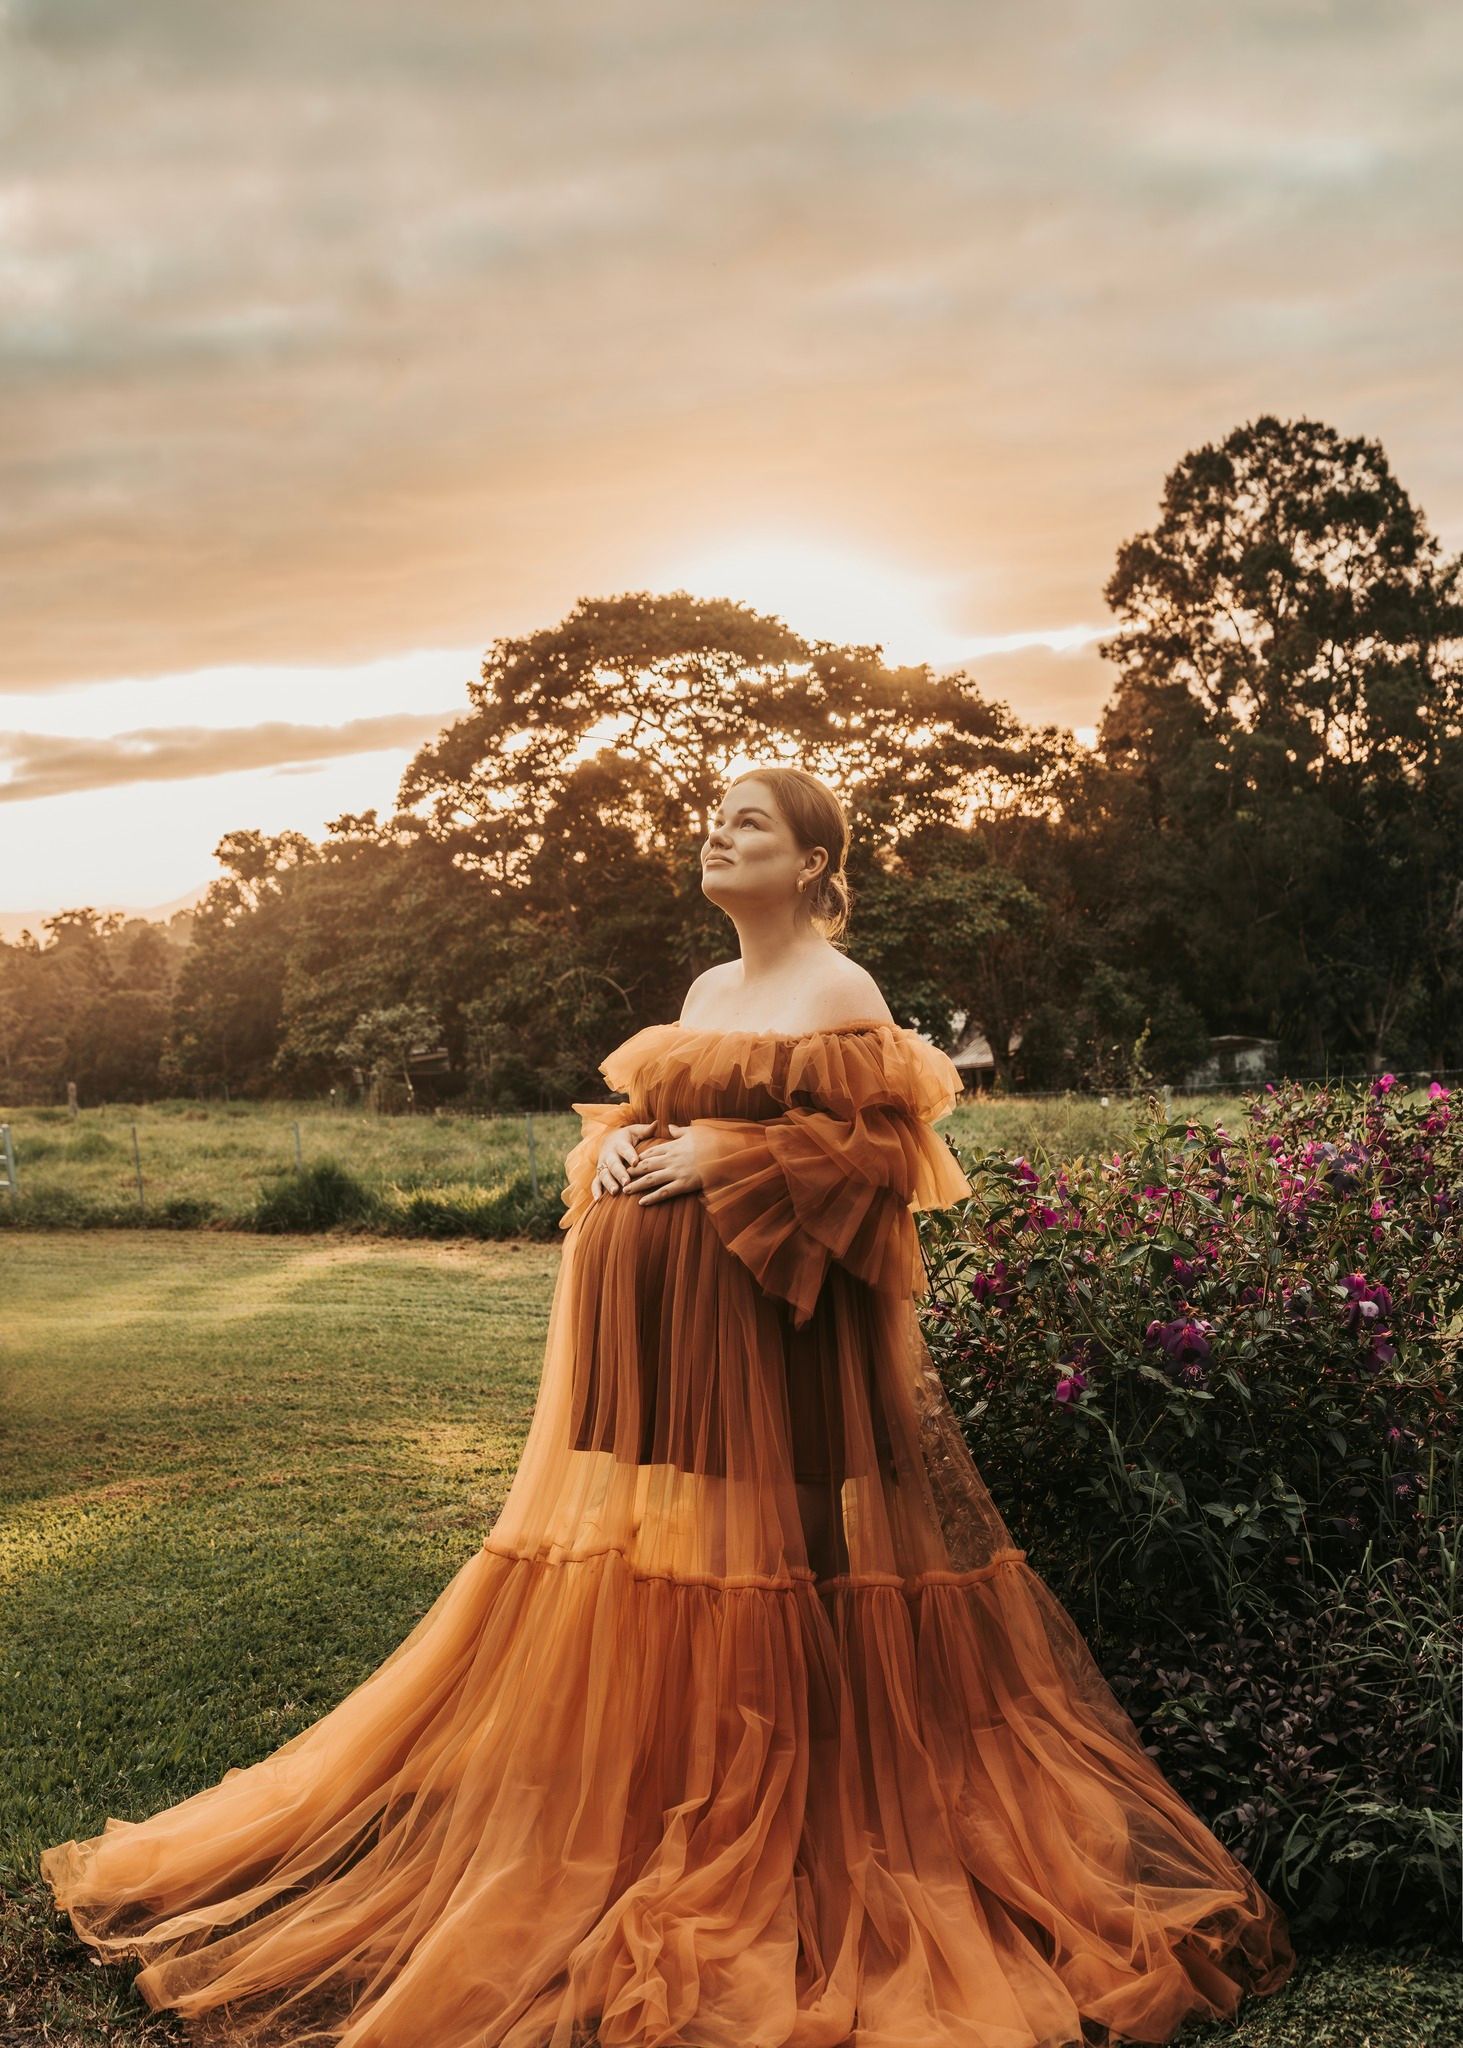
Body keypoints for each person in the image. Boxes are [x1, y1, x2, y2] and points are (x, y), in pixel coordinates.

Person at [41, 764, 1296, 2048]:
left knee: (797, 1559)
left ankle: (815, 1810)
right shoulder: (704, 993)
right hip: (681, 1340)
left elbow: (885, 1162)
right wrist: (632, 1146)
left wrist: (734, 1152)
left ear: (810, 862)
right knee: (694, 1552)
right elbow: (644, 1124)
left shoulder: (839, 990)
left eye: (747, 822)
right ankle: (698, 1783)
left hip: (783, 1335)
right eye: (711, 820)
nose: (715, 835)